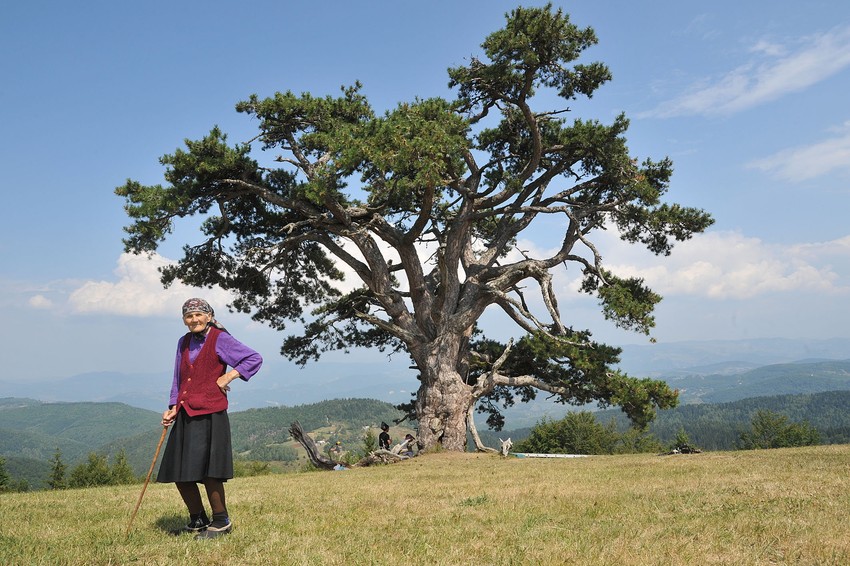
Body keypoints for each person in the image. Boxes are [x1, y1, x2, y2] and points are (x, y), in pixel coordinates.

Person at [156, 298, 263, 539]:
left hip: (211, 414)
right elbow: (178, 378)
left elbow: (254, 358)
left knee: (209, 472)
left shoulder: (219, 338)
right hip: (186, 412)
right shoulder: (183, 342)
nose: (194, 319)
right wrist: (172, 407)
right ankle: (198, 520)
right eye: (189, 316)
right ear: (184, 319)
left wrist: (230, 376)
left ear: (209, 316)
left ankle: (221, 521)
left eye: (198, 315)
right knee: (179, 471)